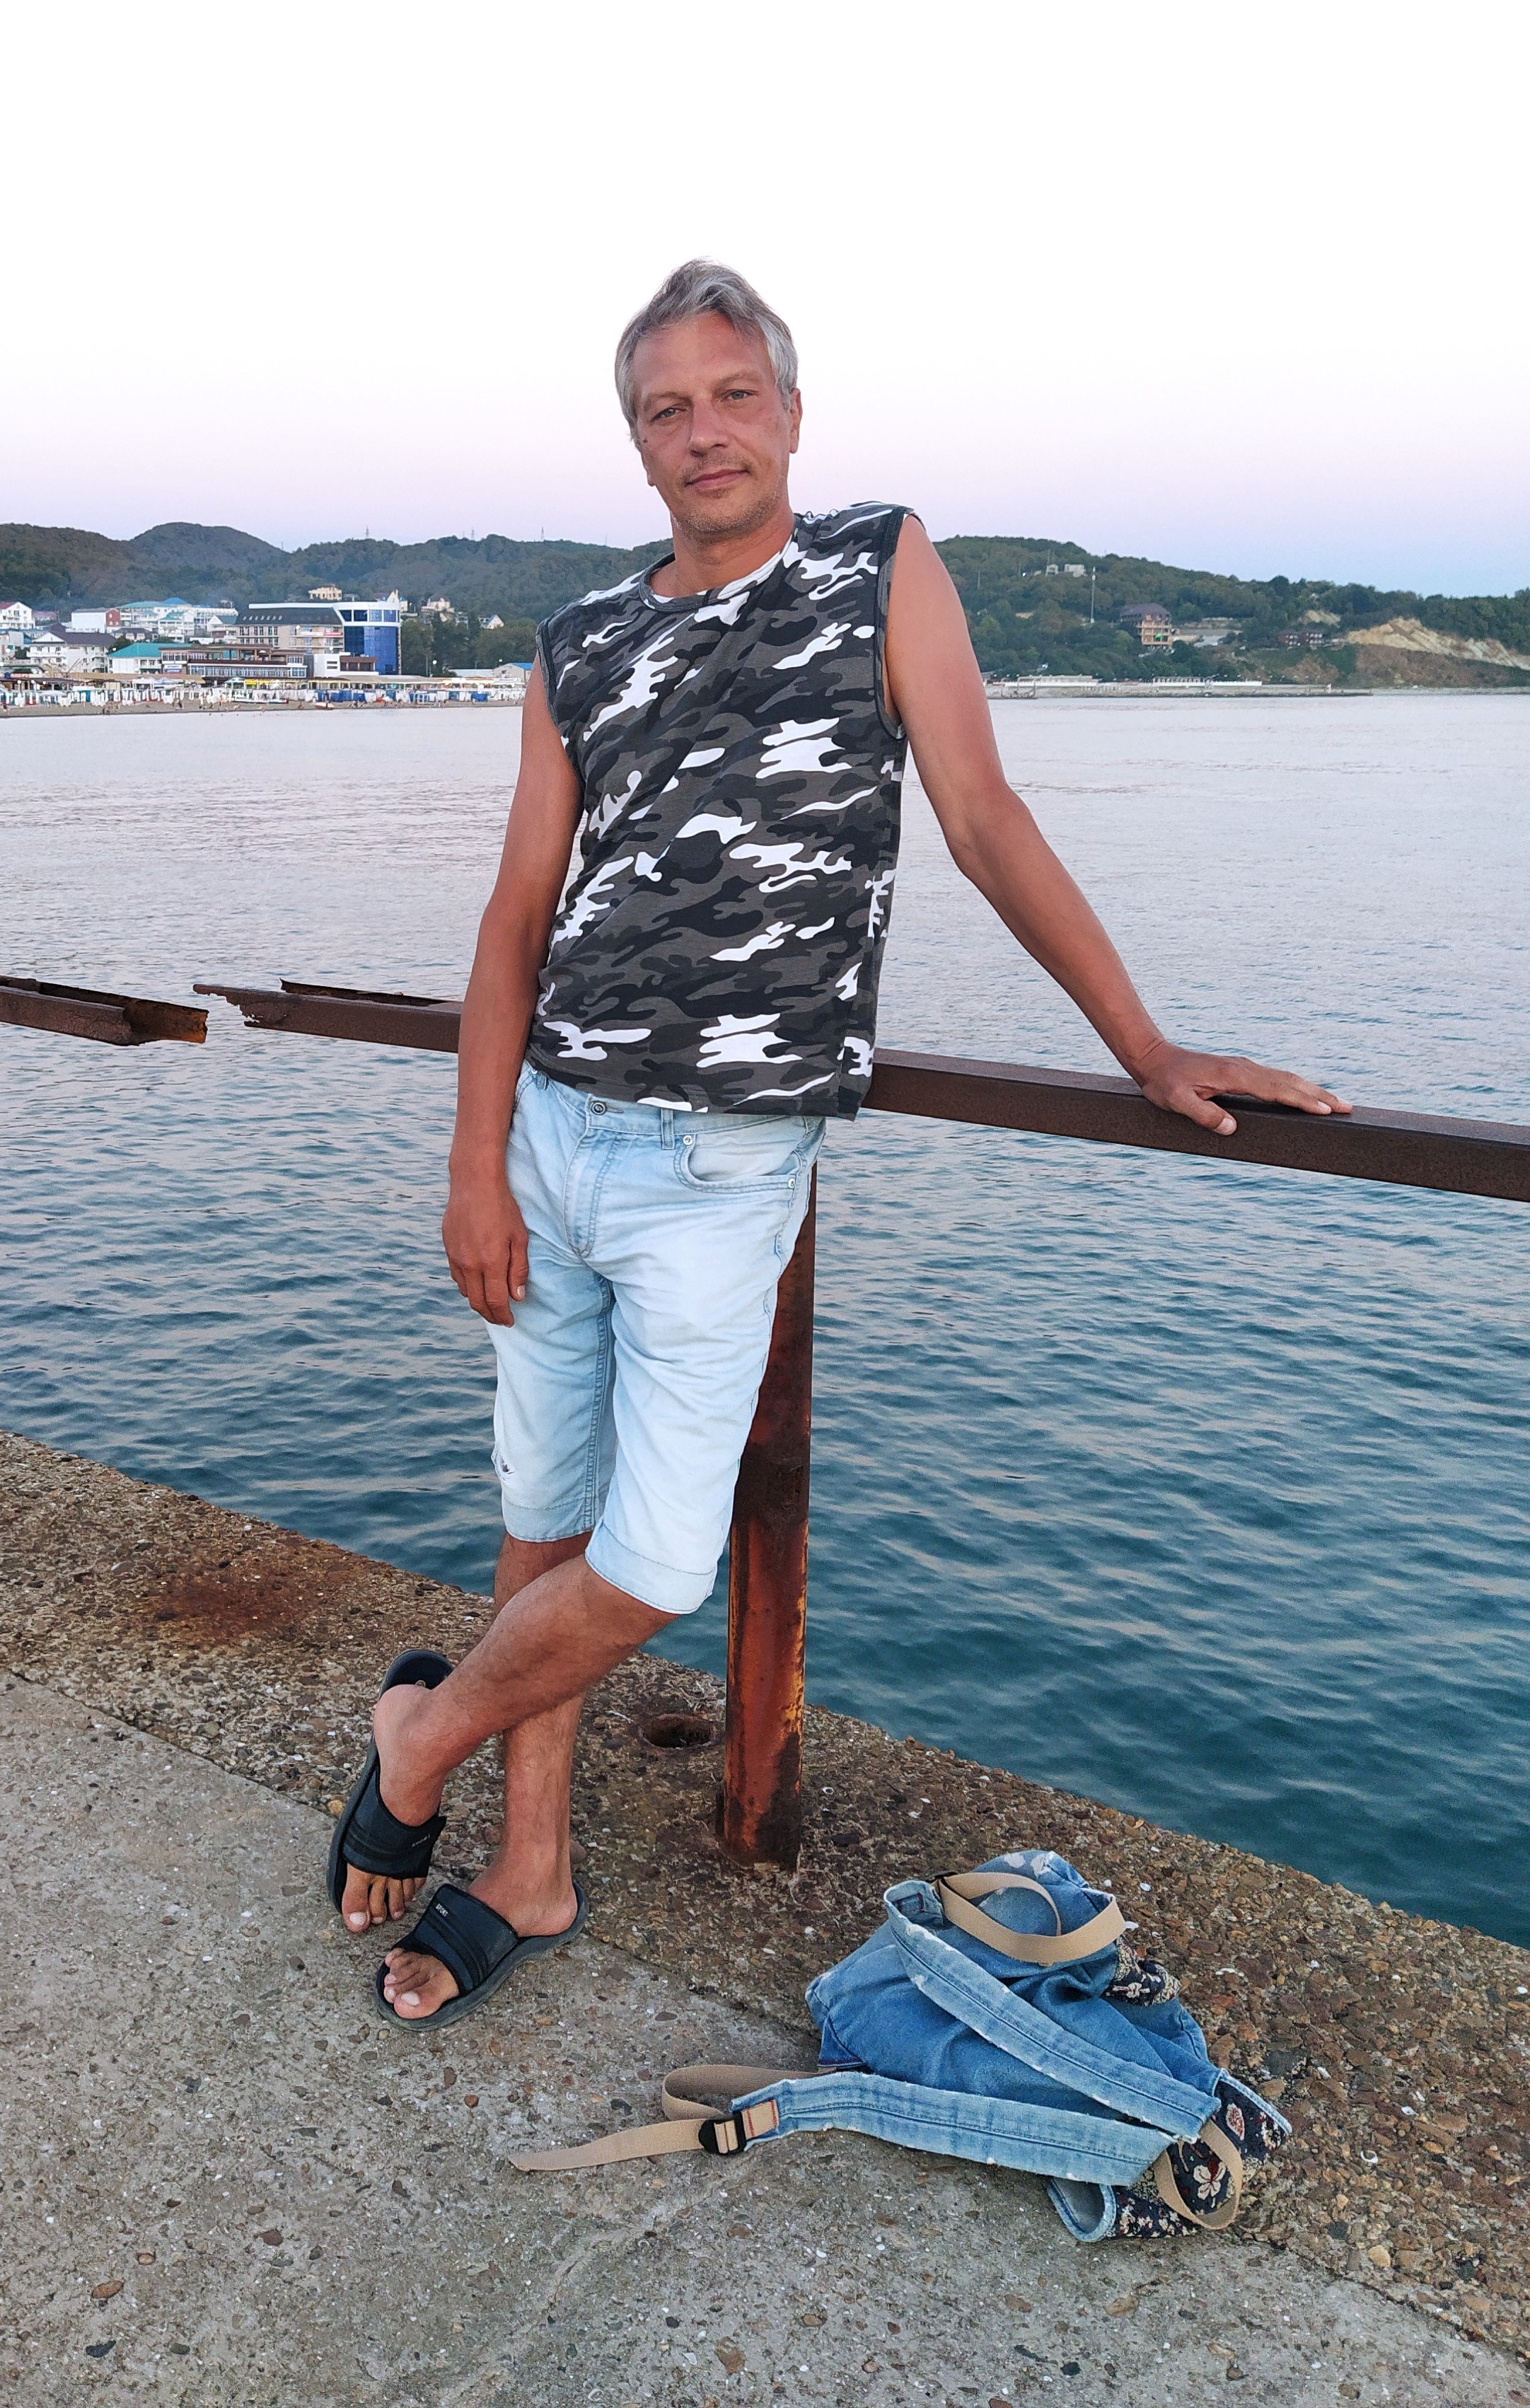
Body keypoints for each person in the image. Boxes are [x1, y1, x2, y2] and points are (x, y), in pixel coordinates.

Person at [328, 258, 1348, 2025]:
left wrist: (1143, 1043)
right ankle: (530, 1863)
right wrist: (472, 1164)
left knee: (652, 1564)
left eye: (733, 395)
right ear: (636, 441)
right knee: (541, 1522)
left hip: (721, 1171)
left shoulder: (879, 563)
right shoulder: (579, 640)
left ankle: (418, 1739)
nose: (703, 430)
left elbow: (981, 813)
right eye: (666, 407)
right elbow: (513, 916)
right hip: (552, 1135)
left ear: (789, 413)